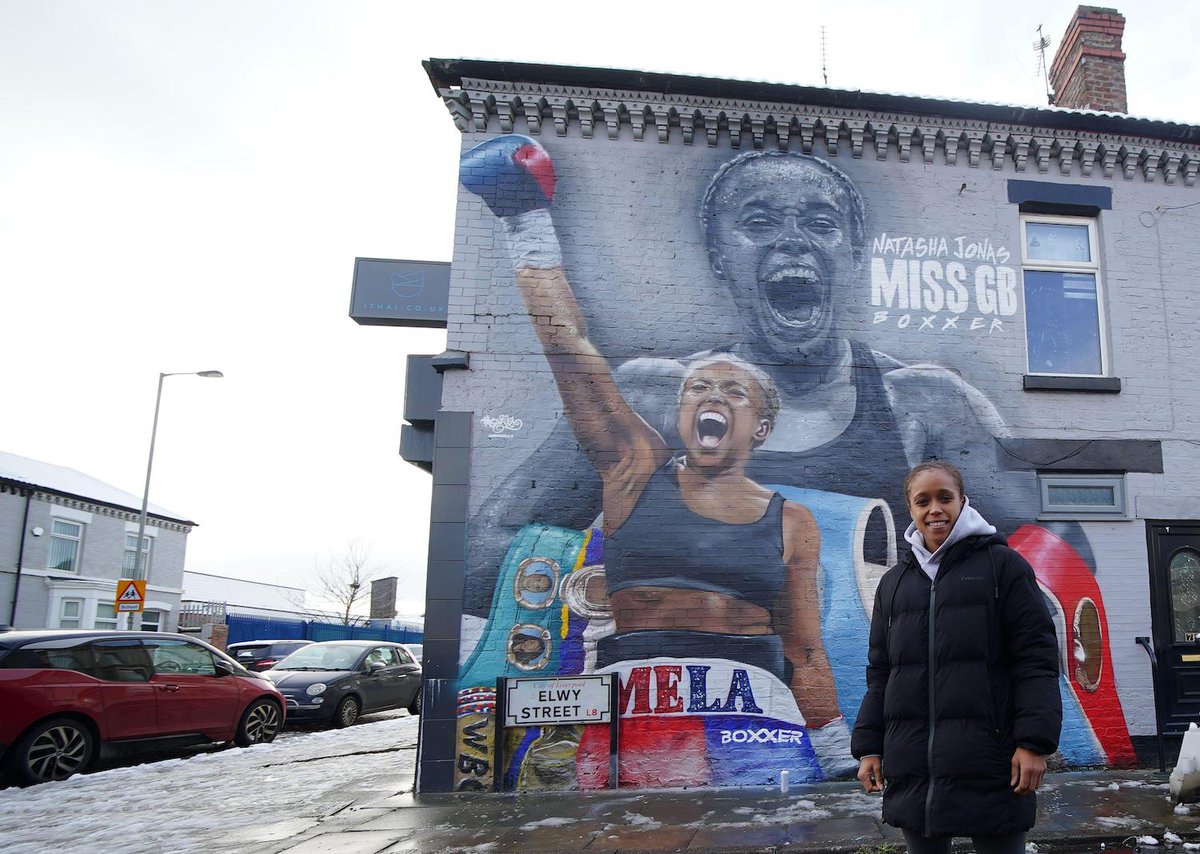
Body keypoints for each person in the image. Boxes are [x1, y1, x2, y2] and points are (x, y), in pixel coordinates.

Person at [465, 147, 1010, 619]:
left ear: (853, 252)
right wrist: (617, 581)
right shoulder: (654, 399)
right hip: (696, 701)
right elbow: (482, 552)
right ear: (719, 256)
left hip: (880, 709)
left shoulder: (925, 405)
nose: (793, 242)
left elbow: (1049, 561)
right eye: (758, 222)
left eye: (821, 224)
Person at [460, 134, 845, 755]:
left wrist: (829, 742)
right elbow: (571, 350)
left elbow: (805, 648)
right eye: (698, 389)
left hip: (754, 704)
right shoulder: (634, 469)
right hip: (633, 696)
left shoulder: (792, 521)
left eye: (732, 392)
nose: (712, 398)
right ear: (683, 412)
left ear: (761, 428)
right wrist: (526, 221)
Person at [850, 461, 1061, 854]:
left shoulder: (1004, 568)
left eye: (945, 498)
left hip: (993, 760)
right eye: (923, 501)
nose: (935, 509)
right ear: (910, 509)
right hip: (914, 765)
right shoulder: (894, 584)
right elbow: (881, 672)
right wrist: (870, 746)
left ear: (963, 502)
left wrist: (1034, 743)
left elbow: (1036, 660)